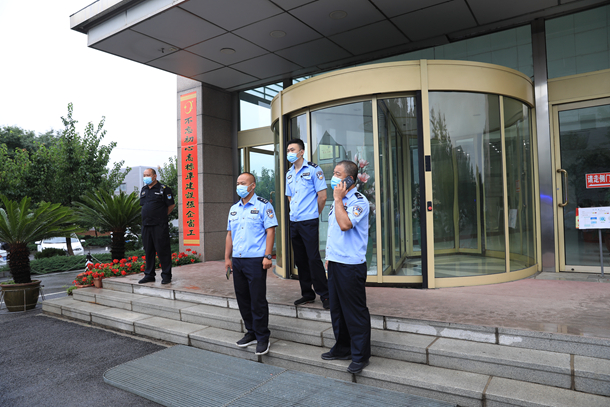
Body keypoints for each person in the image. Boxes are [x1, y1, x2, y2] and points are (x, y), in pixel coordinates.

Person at [321, 160, 372, 375]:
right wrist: (328, 257)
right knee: (338, 310)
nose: (333, 177)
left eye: (337, 174)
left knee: (354, 312)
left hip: (351, 266)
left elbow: (345, 225)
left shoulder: (359, 201)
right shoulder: (339, 201)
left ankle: (360, 355)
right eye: (333, 173)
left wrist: (337, 199)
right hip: (335, 263)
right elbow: (333, 233)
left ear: (350, 179)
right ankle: (342, 348)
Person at [225, 172, 277, 356]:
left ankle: (263, 337)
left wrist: (268, 256)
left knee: (257, 299)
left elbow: (270, 231)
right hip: (238, 260)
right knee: (243, 298)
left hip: (255, 260)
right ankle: (251, 332)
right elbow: (229, 234)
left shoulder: (264, 205)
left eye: (243, 183)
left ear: (252, 185)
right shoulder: (234, 209)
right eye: (238, 183)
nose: (239, 186)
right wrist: (227, 258)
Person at [285, 138, 330, 309]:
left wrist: (313, 214)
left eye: (292, 150)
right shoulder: (289, 174)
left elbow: (322, 196)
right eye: (288, 150)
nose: (289, 153)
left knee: (313, 258)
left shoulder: (313, 169)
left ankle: (325, 295)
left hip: (308, 221)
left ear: (301, 152)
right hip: (294, 221)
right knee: (300, 259)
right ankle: (307, 293)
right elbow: (290, 197)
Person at [138, 168, 175, 285]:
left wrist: (161, 216)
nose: (146, 177)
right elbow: (144, 206)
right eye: (144, 175)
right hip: (146, 225)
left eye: (148, 175)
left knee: (163, 250)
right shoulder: (144, 190)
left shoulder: (163, 189)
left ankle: (166, 275)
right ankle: (149, 275)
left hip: (159, 225)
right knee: (148, 251)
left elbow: (171, 205)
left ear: (155, 176)